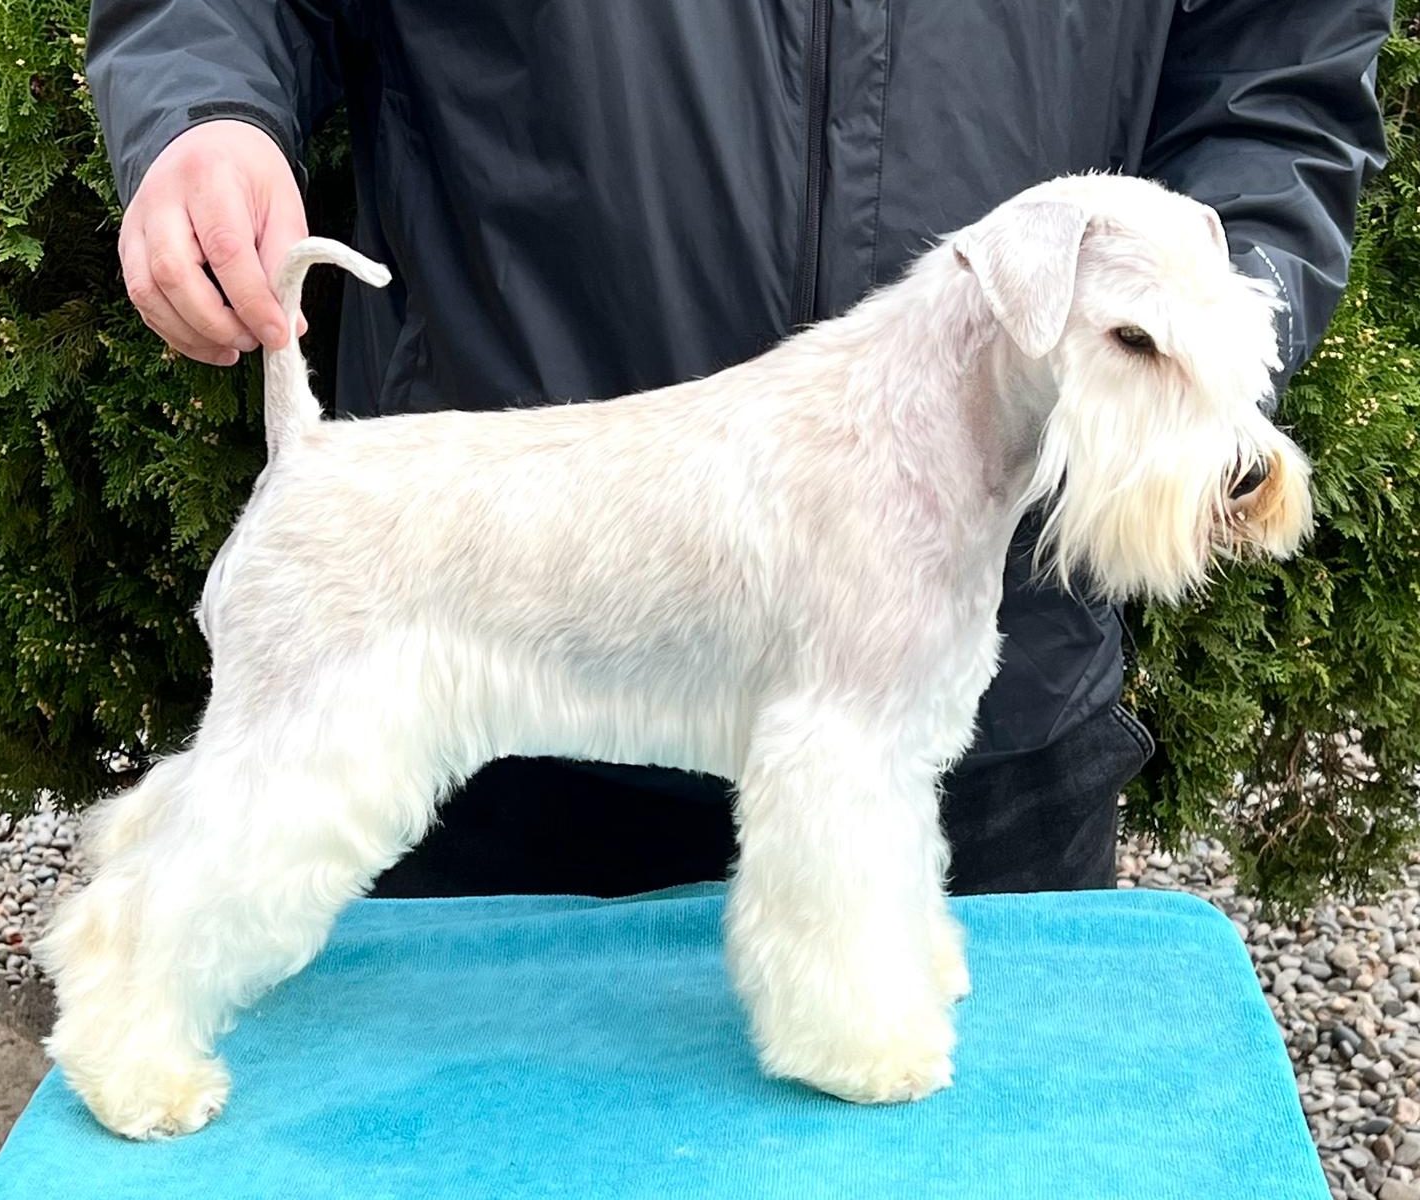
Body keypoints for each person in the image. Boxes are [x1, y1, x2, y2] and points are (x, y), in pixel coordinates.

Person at [85, 1, 1390, 899]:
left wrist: (1198, 317)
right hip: (495, 654)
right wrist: (204, 105)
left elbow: (1279, 84)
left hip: (1009, 700)